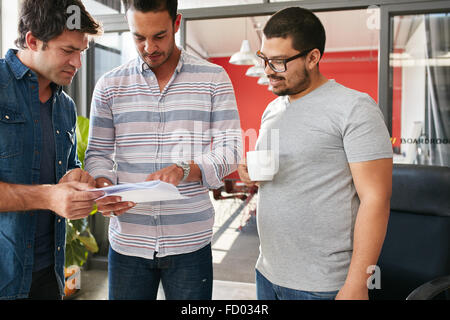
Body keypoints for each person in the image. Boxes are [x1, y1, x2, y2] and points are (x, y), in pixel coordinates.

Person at [85, 0, 242, 300]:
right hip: (129, 240)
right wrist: (104, 186)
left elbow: (231, 148)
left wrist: (187, 169)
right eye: (138, 37)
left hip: (190, 242)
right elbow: (98, 154)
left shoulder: (213, 79)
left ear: (176, 24)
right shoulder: (109, 85)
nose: (148, 47)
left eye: (159, 36)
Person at [238, 7, 393, 300]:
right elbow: (287, 178)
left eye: (279, 61)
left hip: (323, 284)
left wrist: (358, 283)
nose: (268, 69)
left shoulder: (354, 107)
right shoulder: (273, 109)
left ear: (312, 57)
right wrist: (252, 174)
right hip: (267, 272)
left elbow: (377, 199)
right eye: (264, 59)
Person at [0, 0, 133, 300]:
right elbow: (50, 193)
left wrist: (79, 179)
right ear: (33, 41)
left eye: (81, 51)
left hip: (50, 276)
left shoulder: (65, 107)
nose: (78, 63)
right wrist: (48, 196)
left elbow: (66, 171)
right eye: (68, 51)